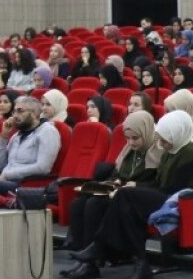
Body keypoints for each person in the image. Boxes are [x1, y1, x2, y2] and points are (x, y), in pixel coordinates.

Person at [66, 111, 193, 279]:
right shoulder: (171, 150)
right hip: (166, 195)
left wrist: (138, 188)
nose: (161, 144)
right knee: (126, 207)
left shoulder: (191, 152)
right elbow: (159, 183)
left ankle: (100, 246)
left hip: (181, 201)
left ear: (177, 133)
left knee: (125, 196)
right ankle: (140, 265)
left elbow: (176, 188)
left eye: (164, 139)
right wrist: (136, 188)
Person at [60, 109, 161, 255]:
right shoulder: (128, 151)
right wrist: (115, 181)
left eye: (135, 138)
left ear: (146, 133)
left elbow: (159, 183)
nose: (131, 142)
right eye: (128, 138)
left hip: (137, 197)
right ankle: (81, 248)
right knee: (78, 203)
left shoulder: (158, 152)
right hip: (119, 192)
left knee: (94, 204)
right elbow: (116, 172)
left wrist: (136, 185)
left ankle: (93, 256)